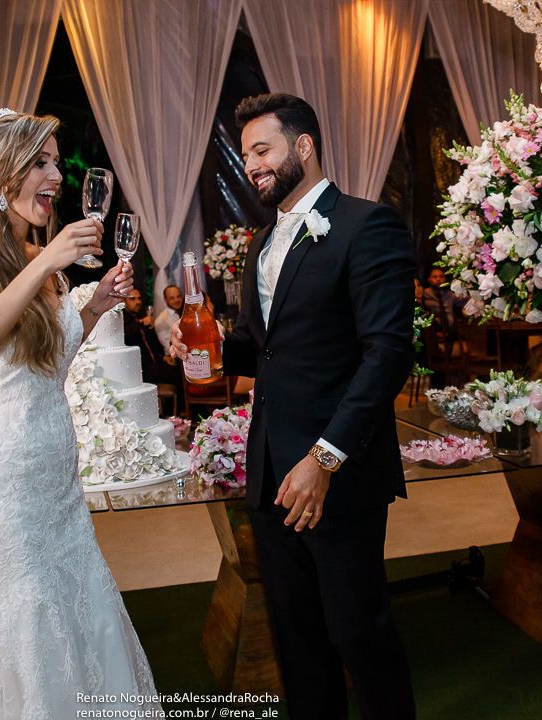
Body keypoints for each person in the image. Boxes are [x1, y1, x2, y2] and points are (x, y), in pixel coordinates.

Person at [0, 109, 158, 718]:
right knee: (21, 616)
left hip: (56, 476)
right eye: (40, 163)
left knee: (74, 603)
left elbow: (47, 364)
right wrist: (45, 264)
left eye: (55, 163)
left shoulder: (35, 258)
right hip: (3, 481)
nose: (56, 177)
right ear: (0, 174)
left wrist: (93, 306)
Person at [172, 93, 417, 720]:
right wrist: (208, 346)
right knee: (297, 639)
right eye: (246, 155)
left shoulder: (367, 225)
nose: (252, 165)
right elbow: (263, 347)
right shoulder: (261, 242)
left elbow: (387, 354)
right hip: (271, 474)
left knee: (358, 631)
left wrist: (325, 458)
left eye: (264, 150)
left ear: (303, 147)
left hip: (338, 472)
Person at [153, 284, 183, 349]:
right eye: (172, 298)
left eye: (178, 296)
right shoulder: (161, 320)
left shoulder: (186, 312)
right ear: (165, 300)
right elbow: (169, 346)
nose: (176, 300)